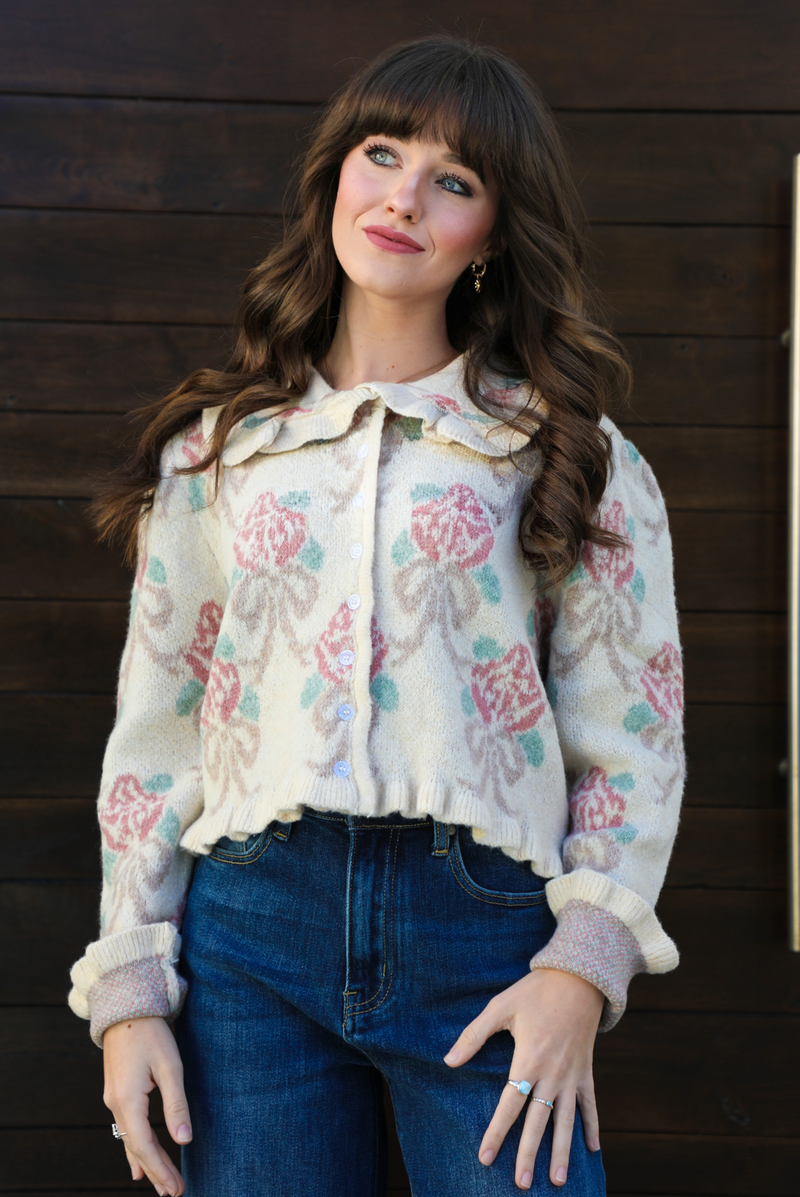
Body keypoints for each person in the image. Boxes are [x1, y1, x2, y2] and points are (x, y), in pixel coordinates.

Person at [68, 33, 685, 1197]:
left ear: (491, 235)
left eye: (452, 181)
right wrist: (128, 995)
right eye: (381, 153)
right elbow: (158, 728)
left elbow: (630, 730)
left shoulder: (564, 454)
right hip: (247, 937)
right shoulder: (218, 453)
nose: (402, 197)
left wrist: (581, 967)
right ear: (334, 178)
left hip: (487, 940)